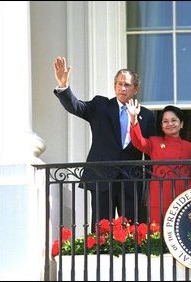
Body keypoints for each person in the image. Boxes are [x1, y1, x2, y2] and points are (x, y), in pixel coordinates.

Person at [53, 56, 156, 230]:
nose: (122, 88)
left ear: (135, 88)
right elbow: (76, 106)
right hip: (102, 175)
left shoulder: (146, 116)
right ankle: (100, 253)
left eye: (127, 85)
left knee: (131, 226)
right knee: (101, 226)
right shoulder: (100, 105)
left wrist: (150, 182)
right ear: (115, 86)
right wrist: (64, 86)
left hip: (132, 178)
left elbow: (151, 149)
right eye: (119, 84)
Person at [126, 101, 191, 223]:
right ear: (161, 125)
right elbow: (138, 141)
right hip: (158, 196)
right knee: (157, 235)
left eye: (174, 120)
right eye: (165, 121)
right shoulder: (154, 142)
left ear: (181, 124)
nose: (169, 124)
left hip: (183, 198)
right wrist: (134, 120)